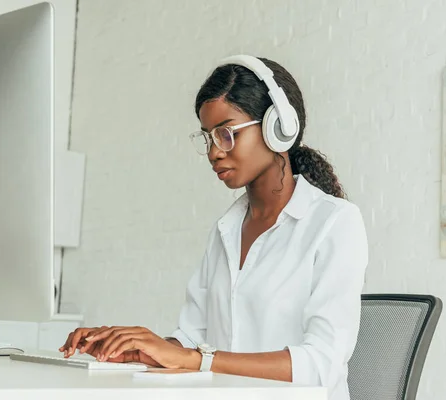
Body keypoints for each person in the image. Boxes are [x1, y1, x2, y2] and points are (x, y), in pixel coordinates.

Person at [59, 55, 368, 400]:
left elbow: (320, 364)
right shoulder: (227, 229)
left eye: (226, 133)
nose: (214, 152)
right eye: (208, 137)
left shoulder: (334, 222)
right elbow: (193, 340)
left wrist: (195, 359)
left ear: (277, 127)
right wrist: (140, 349)